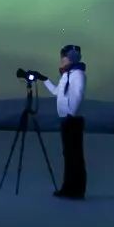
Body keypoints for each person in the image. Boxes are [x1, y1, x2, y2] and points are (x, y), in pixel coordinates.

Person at [43, 44, 86, 199]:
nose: (61, 60)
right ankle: (69, 188)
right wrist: (45, 80)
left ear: (71, 58)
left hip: (72, 120)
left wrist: (70, 114)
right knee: (69, 155)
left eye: (64, 57)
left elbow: (78, 95)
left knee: (74, 156)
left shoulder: (77, 74)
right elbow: (57, 92)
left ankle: (76, 190)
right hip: (67, 119)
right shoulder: (67, 75)